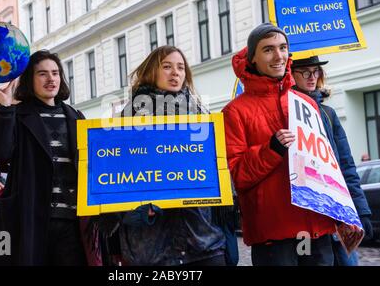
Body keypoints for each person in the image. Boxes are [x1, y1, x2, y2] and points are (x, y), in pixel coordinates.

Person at [100, 45, 227, 266]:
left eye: (180, 67)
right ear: (151, 72)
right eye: (167, 67)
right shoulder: (128, 118)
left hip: (202, 240)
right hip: (152, 246)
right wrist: (135, 212)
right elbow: (113, 179)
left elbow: (218, 170)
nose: (175, 73)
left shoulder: (201, 115)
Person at [222, 23, 337, 266]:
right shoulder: (234, 112)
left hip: (318, 225)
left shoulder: (306, 102)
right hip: (275, 234)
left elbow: (329, 162)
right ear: (252, 58)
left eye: (283, 48)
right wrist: (271, 151)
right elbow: (235, 176)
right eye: (268, 50)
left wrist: (345, 211)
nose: (279, 56)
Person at [0, 50, 93, 265]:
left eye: (55, 73)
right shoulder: (16, 115)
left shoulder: (77, 117)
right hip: (31, 219)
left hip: (73, 223)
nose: (51, 79)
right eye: (42, 74)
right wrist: (5, 108)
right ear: (29, 80)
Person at [291, 55, 373, 266]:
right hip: (308, 216)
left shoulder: (328, 113)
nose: (312, 77)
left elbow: (346, 165)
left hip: (340, 212)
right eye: (305, 72)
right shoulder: (288, 113)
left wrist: (361, 210)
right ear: (291, 75)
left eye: (316, 71)